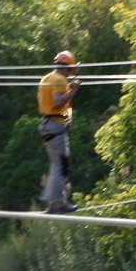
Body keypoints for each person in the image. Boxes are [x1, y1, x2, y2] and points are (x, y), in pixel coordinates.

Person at [37, 50, 81, 214]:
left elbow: (53, 101)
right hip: (55, 125)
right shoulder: (59, 79)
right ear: (68, 68)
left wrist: (68, 91)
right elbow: (57, 101)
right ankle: (57, 204)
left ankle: (54, 202)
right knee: (61, 165)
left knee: (58, 164)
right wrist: (73, 90)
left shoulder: (46, 78)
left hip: (48, 124)